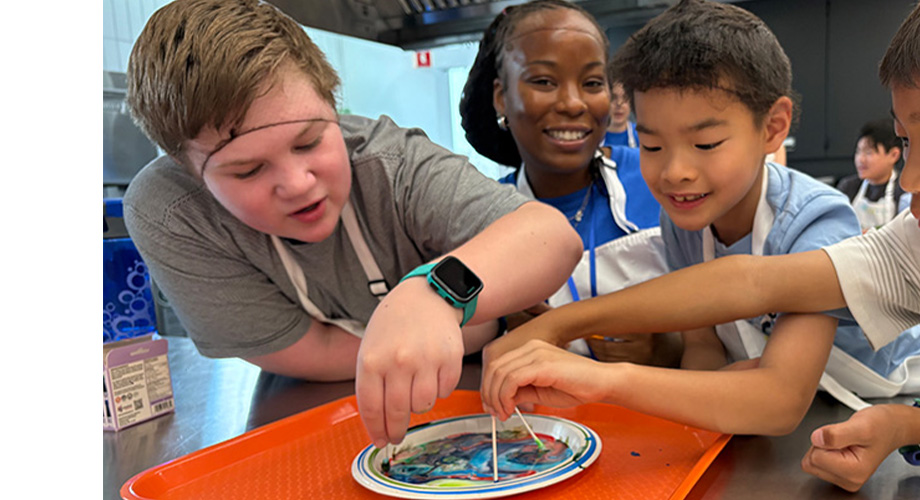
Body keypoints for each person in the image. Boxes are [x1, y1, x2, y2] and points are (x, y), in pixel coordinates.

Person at [485, 0, 920, 491]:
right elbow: (745, 285)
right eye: (908, 143)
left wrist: (601, 377)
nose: (909, 181)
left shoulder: (819, 214)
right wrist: (558, 328)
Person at [121, 0, 582, 450]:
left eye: (309, 142)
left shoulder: (392, 163)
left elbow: (550, 238)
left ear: (333, 105)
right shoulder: (169, 211)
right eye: (248, 171)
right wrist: (457, 328)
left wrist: (433, 295)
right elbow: (299, 351)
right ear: (188, 170)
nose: (298, 184)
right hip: (309, 404)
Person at [459, 0, 679, 367]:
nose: (574, 103)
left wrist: (670, 349)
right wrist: (498, 331)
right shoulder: (477, 219)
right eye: (544, 81)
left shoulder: (660, 183)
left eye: (592, 83)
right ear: (502, 97)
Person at [837, 118, 912, 233]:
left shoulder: (904, 191)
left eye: (868, 152)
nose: (860, 159)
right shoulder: (848, 187)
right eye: (858, 151)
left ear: (893, 155)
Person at [602, 81, 639, 149]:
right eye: (613, 97)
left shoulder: (641, 136)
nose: (619, 103)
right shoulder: (594, 138)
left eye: (625, 98)